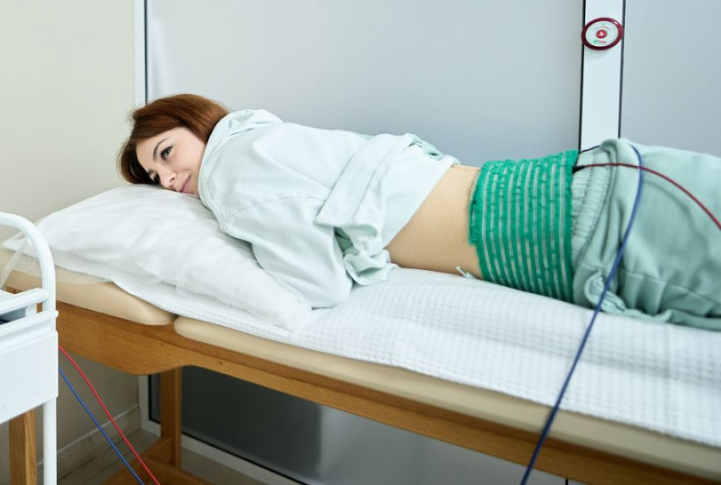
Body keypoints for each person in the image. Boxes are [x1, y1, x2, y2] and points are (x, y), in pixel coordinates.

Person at [118, 94, 721, 330]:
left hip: (578, 232)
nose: (168, 180)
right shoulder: (272, 140)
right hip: (593, 186)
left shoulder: (230, 171)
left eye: (166, 154)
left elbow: (318, 285)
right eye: (155, 178)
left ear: (200, 124)